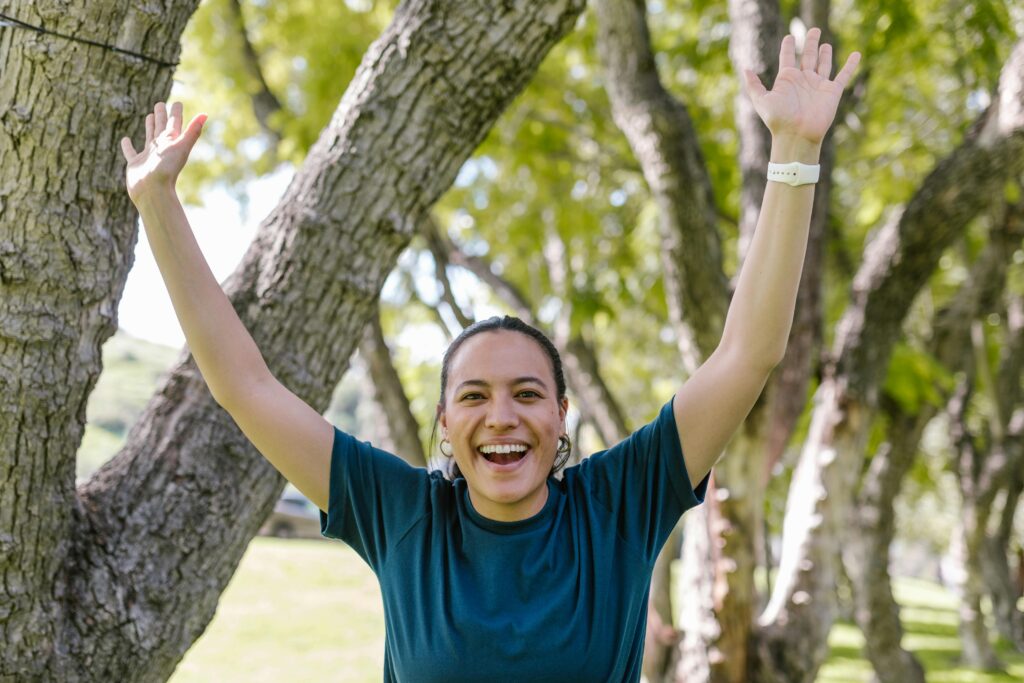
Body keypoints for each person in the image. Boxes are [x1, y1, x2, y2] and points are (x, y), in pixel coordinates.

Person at [120, 27, 858, 682]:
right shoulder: (403, 514)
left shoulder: (620, 504)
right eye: (473, 395)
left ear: (562, 415)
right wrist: (158, 204)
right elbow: (244, 384)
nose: (501, 415)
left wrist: (794, 154)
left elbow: (748, 354)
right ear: (445, 421)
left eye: (528, 393)